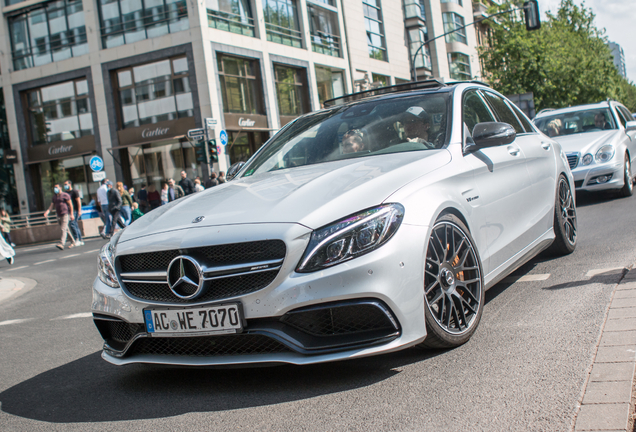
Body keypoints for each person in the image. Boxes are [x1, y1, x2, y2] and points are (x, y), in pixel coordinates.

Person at [43, 183, 77, 250]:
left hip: (65, 214)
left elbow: (71, 205)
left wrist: (72, 214)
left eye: (56, 187)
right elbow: (51, 206)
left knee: (63, 229)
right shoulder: (54, 196)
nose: (55, 189)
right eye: (54, 187)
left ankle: (62, 244)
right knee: (66, 230)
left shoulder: (65, 195)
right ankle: (73, 241)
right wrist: (47, 212)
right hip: (59, 215)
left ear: (60, 188)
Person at [63, 180, 83, 246]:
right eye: (64, 184)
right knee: (75, 225)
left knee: (73, 224)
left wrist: (79, 210)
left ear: (70, 184)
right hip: (69, 211)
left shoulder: (74, 192)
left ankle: (77, 239)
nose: (65, 186)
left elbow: (78, 201)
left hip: (75, 210)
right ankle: (80, 239)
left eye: (66, 184)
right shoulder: (65, 193)